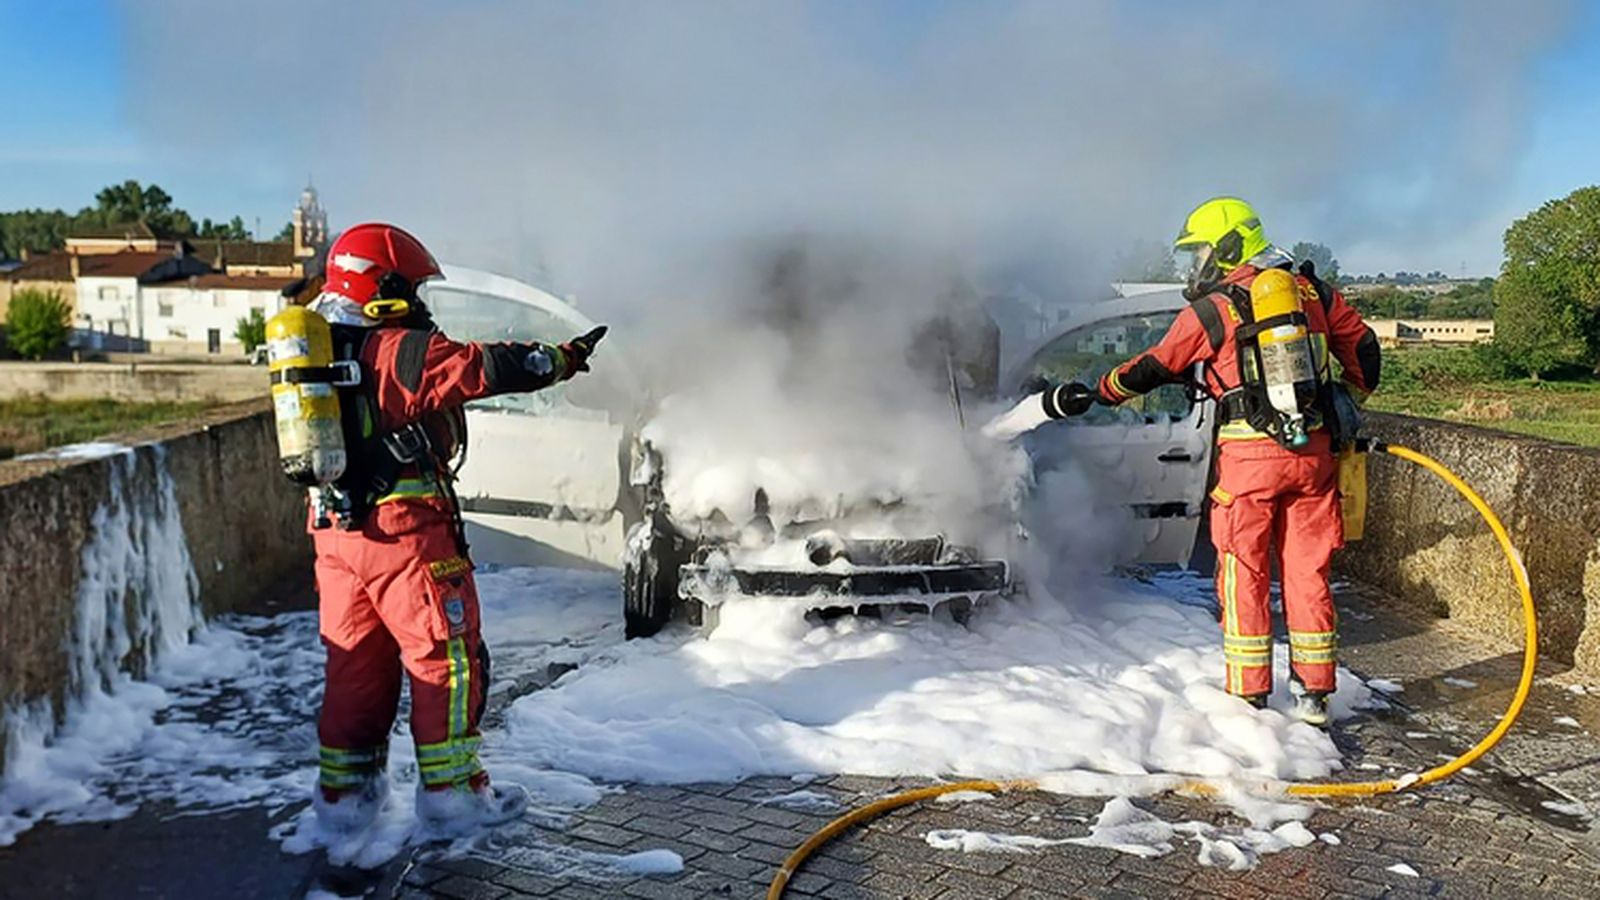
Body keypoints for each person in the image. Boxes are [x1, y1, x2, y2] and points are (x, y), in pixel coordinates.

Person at [985, 197, 1380, 725]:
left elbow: (1156, 365)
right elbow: (1366, 352)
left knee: (1245, 568)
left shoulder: (1216, 309)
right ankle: (1314, 695)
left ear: (1228, 247)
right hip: (1314, 454)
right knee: (1308, 571)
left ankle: (1250, 693)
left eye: (1200, 253)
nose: (1196, 265)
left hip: (1250, 460)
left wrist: (1101, 391)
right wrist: (1346, 400)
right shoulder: (1314, 292)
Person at [302, 223, 606, 834]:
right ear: (384, 288)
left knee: (357, 664)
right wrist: (564, 358)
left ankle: (344, 802)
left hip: (337, 531)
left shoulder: (321, 351)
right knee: (445, 656)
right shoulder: (399, 349)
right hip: (404, 534)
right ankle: (454, 795)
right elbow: (486, 367)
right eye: (413, 290)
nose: (420, 303)